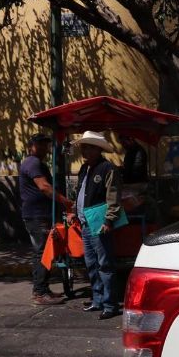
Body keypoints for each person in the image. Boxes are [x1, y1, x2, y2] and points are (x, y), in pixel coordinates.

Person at [69, 131, 123, 320]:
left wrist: (109, 220)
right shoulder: (85, 168)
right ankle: (98, 299)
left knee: (104, 264)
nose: (84, 151)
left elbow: (113, 196)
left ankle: (110, 304)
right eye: (83, 147)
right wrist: (74, 211)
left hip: (99, 222)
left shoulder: (108, 168)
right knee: (91, 264)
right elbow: (80, 193)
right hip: (85, 223)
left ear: (97, 149)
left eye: (88, 147)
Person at [19, 133, 73, 305]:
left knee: (45, 251)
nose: (43, 147)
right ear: (30, 146)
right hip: (36, 215)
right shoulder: (32, 163)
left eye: (45, 144)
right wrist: (65, 202)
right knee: (41, 252)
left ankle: (43, 289)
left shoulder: (38, 163)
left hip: (41, 214)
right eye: (39, 144)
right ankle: (40, 292)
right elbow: (44, 187)